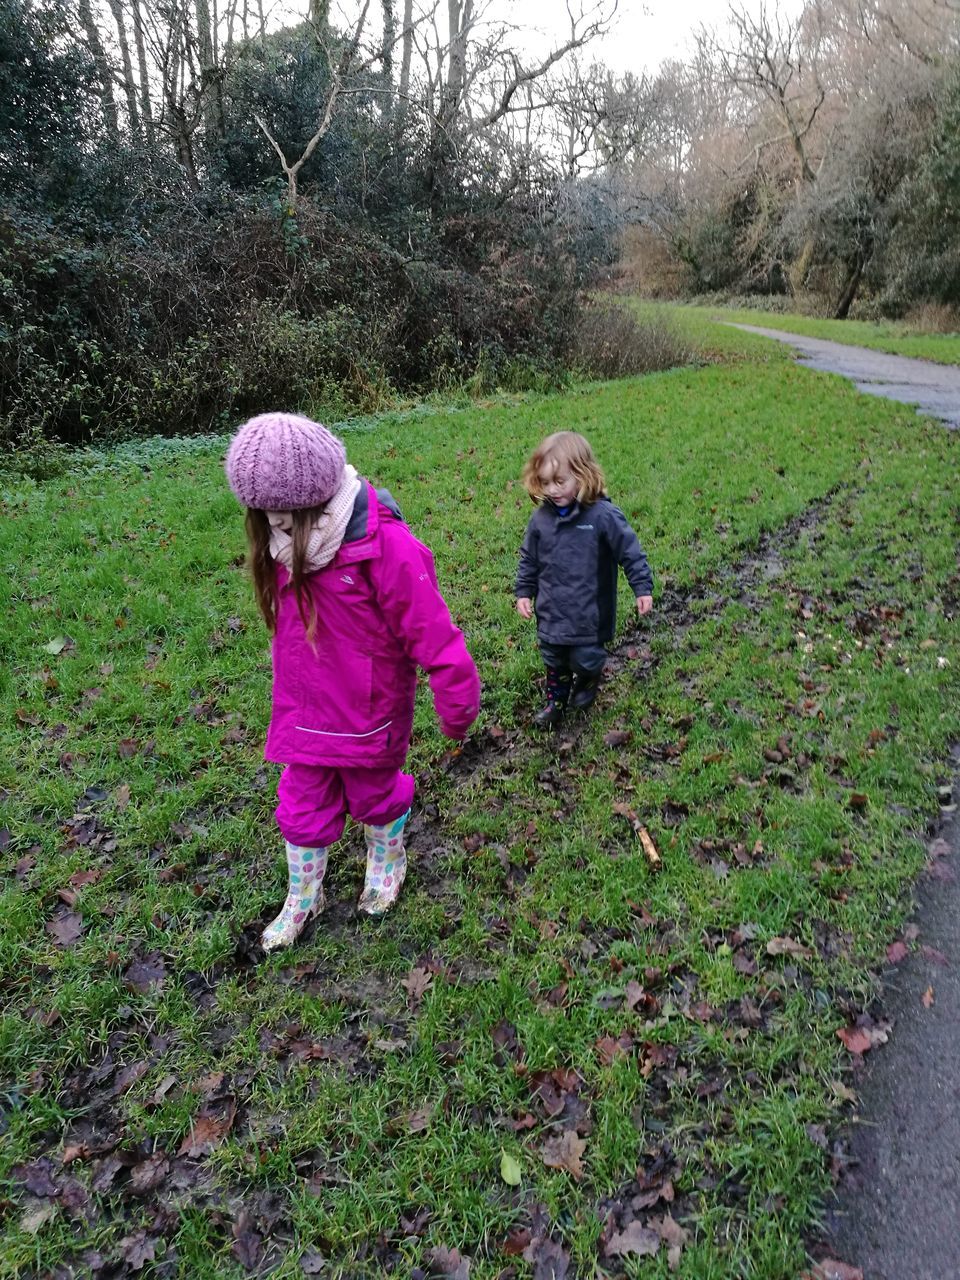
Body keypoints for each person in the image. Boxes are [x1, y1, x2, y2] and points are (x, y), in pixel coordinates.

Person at [225, 412, 480, 950]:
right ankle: (304, 895)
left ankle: (387, 859)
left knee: (375, 796)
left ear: (318, 502)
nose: (277, 535)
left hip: (369, 714)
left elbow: (435, 635)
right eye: (266, 522)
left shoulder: (385, 546)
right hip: (305, 711)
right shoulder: (282, 545)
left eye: (288, 523)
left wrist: (456, 707)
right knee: (299, 806)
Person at [515, 431, 653, 728]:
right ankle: (555, 702)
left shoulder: (603, 516)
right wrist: (524, 591)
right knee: (554, 658)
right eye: (545, 482)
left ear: (582, 475)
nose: (552, 490)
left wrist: (642, 586)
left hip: (590, 613)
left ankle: (589, 676)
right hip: (552, 609)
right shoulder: (541, 519)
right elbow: (529, 558)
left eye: (559, 481)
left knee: (585, 658)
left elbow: (630, 551)